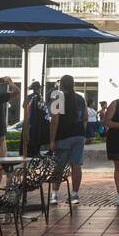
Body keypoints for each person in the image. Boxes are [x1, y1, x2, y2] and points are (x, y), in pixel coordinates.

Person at [48, 74, 87, 205]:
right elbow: (85, 118)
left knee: (59, 166)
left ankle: (54, 194)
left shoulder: (57, 96)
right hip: (78, 136)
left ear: (61, 84)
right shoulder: (81, 98)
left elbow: (54, 120)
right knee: (76, 166)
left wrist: (52, 140)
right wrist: (81, 131)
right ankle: (75, 195)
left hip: (63, 137)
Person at [21, 82, 50, 157]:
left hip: (28, 120)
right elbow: (43, 109)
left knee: (28, 135)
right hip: (37, 122)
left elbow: (24, 107)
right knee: (37, 136)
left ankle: (27, 151)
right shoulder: (39, 97)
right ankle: (36, 152)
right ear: (38, 88)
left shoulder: (28, 97)